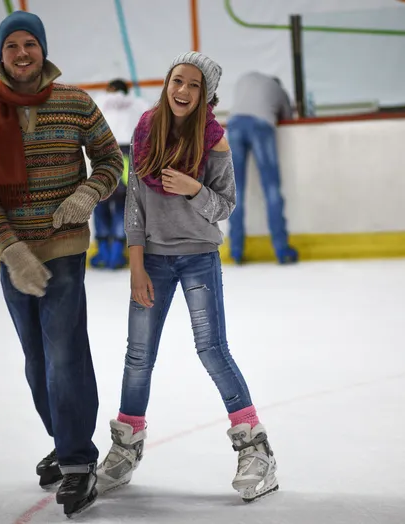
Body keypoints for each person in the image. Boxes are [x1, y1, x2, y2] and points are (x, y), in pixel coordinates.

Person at [96, 52, 278, 503]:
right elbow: (134, 206)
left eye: (194, 85)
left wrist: (195, 189)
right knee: (138, 356)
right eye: (178, 80)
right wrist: (136, 265)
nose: (183, 90)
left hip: (198, 256)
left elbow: (226, 207)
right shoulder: (144, 131)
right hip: (152, 259)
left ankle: (256, 450)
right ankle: (126, 447)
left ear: (205, 95)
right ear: (167, 83)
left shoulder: (215, 141)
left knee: (212, 349)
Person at [0, 11, 123, 517]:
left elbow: (112, 161)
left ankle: (77, 462)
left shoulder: (74, 101)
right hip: (16, 257)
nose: (23, 53)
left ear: (43, 49)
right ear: (1, 54)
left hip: (64, 251)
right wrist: (10, 249)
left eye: (31, 43)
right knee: (37, 361)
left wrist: (85, 196)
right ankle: (66, 435)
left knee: (65, 355)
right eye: (13, 46)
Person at [227, 71, 298, 264]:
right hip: (260, 126)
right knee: (271, 188)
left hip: (233, 125)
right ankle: (282, 251)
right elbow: (289, 118)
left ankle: (235, 251)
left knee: (236, 191)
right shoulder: (280, 91)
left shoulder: (246, 77)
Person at [91, 79, 149, 269]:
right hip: (128, 155)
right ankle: (116, 253)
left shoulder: (100, 99)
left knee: (100, 201)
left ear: (110, 89)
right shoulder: (138, 102)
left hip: (104, 153)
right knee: (123, 202)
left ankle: (103, 252)